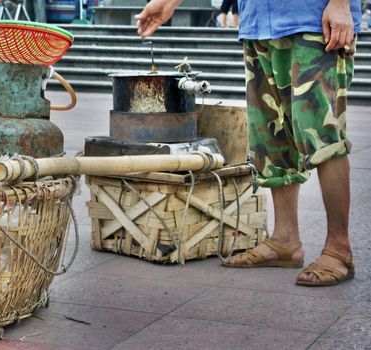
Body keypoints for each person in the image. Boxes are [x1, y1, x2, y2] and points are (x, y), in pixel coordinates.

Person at [136, 0, 362, 287]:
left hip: (314, 19)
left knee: (323, 136)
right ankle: (285, 239)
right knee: (271, 139)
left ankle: (338, 249)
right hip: (259, 23)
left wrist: (341, 4)